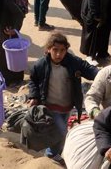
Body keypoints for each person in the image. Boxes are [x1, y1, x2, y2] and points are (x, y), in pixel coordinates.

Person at [27, 31, 98, 163]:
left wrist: (104, 73)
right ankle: (51, 154)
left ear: (66, 49)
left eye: (62, 50)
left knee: (59, 131)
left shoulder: (73, 63)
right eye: (55, 50)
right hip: (50, 106)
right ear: (48, 49)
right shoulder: (41, 65)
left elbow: (89, 69)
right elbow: (33, 81)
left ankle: (54, 151)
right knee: (62, 132)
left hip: (67, 106)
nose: (59, 54)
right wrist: (34, 96)